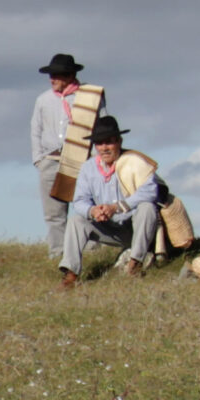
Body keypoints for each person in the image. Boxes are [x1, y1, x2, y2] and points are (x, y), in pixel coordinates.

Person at [58, 116, 159, 285]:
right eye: (99, 143)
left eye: (109, 142)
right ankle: (71, 274)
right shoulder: (88, 168)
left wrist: (117, 207)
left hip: (136, 226)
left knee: (147, 207)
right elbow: (80, 201)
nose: (104, 148)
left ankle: (135, 262)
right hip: (109, 228)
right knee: (76, 221)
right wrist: (93, 211)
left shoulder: (134, 162)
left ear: (119, 141)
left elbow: (150, 191)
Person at [30, 54, 97, 261]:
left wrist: (94, 161)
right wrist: (39, 159)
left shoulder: (89, 97)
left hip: (81, 159)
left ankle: (91, 251)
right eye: (51, 75)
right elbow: (36, 129)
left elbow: (100, 126)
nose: (52, 79)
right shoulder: (43, 100)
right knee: (53, 213)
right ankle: (57, 252)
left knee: (87, 207)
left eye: (57, 75)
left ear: (69, 76)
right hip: (50, 160)